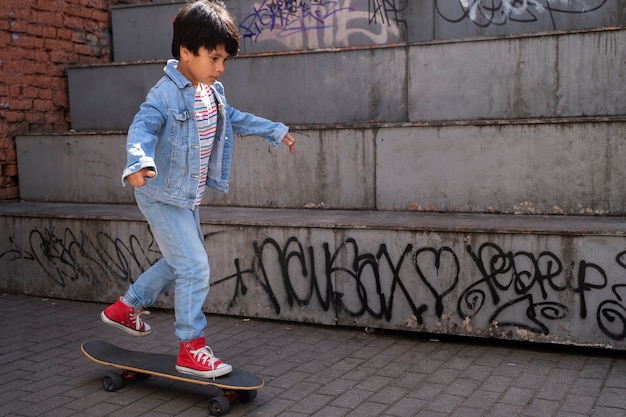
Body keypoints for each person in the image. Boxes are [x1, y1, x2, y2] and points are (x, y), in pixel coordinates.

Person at [100, 0, 296, 379]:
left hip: (187, 197)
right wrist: (137, 162)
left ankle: (126, 308)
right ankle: (191, 346)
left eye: (225, 60)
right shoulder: (164, 94)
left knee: (180, 263)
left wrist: (274, 129)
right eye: (214, 58)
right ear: (186, 52)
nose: (220, 67)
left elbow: (233, 119)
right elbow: (142, 127)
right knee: (195, 266)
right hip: (160, 195)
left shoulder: (211, 91)